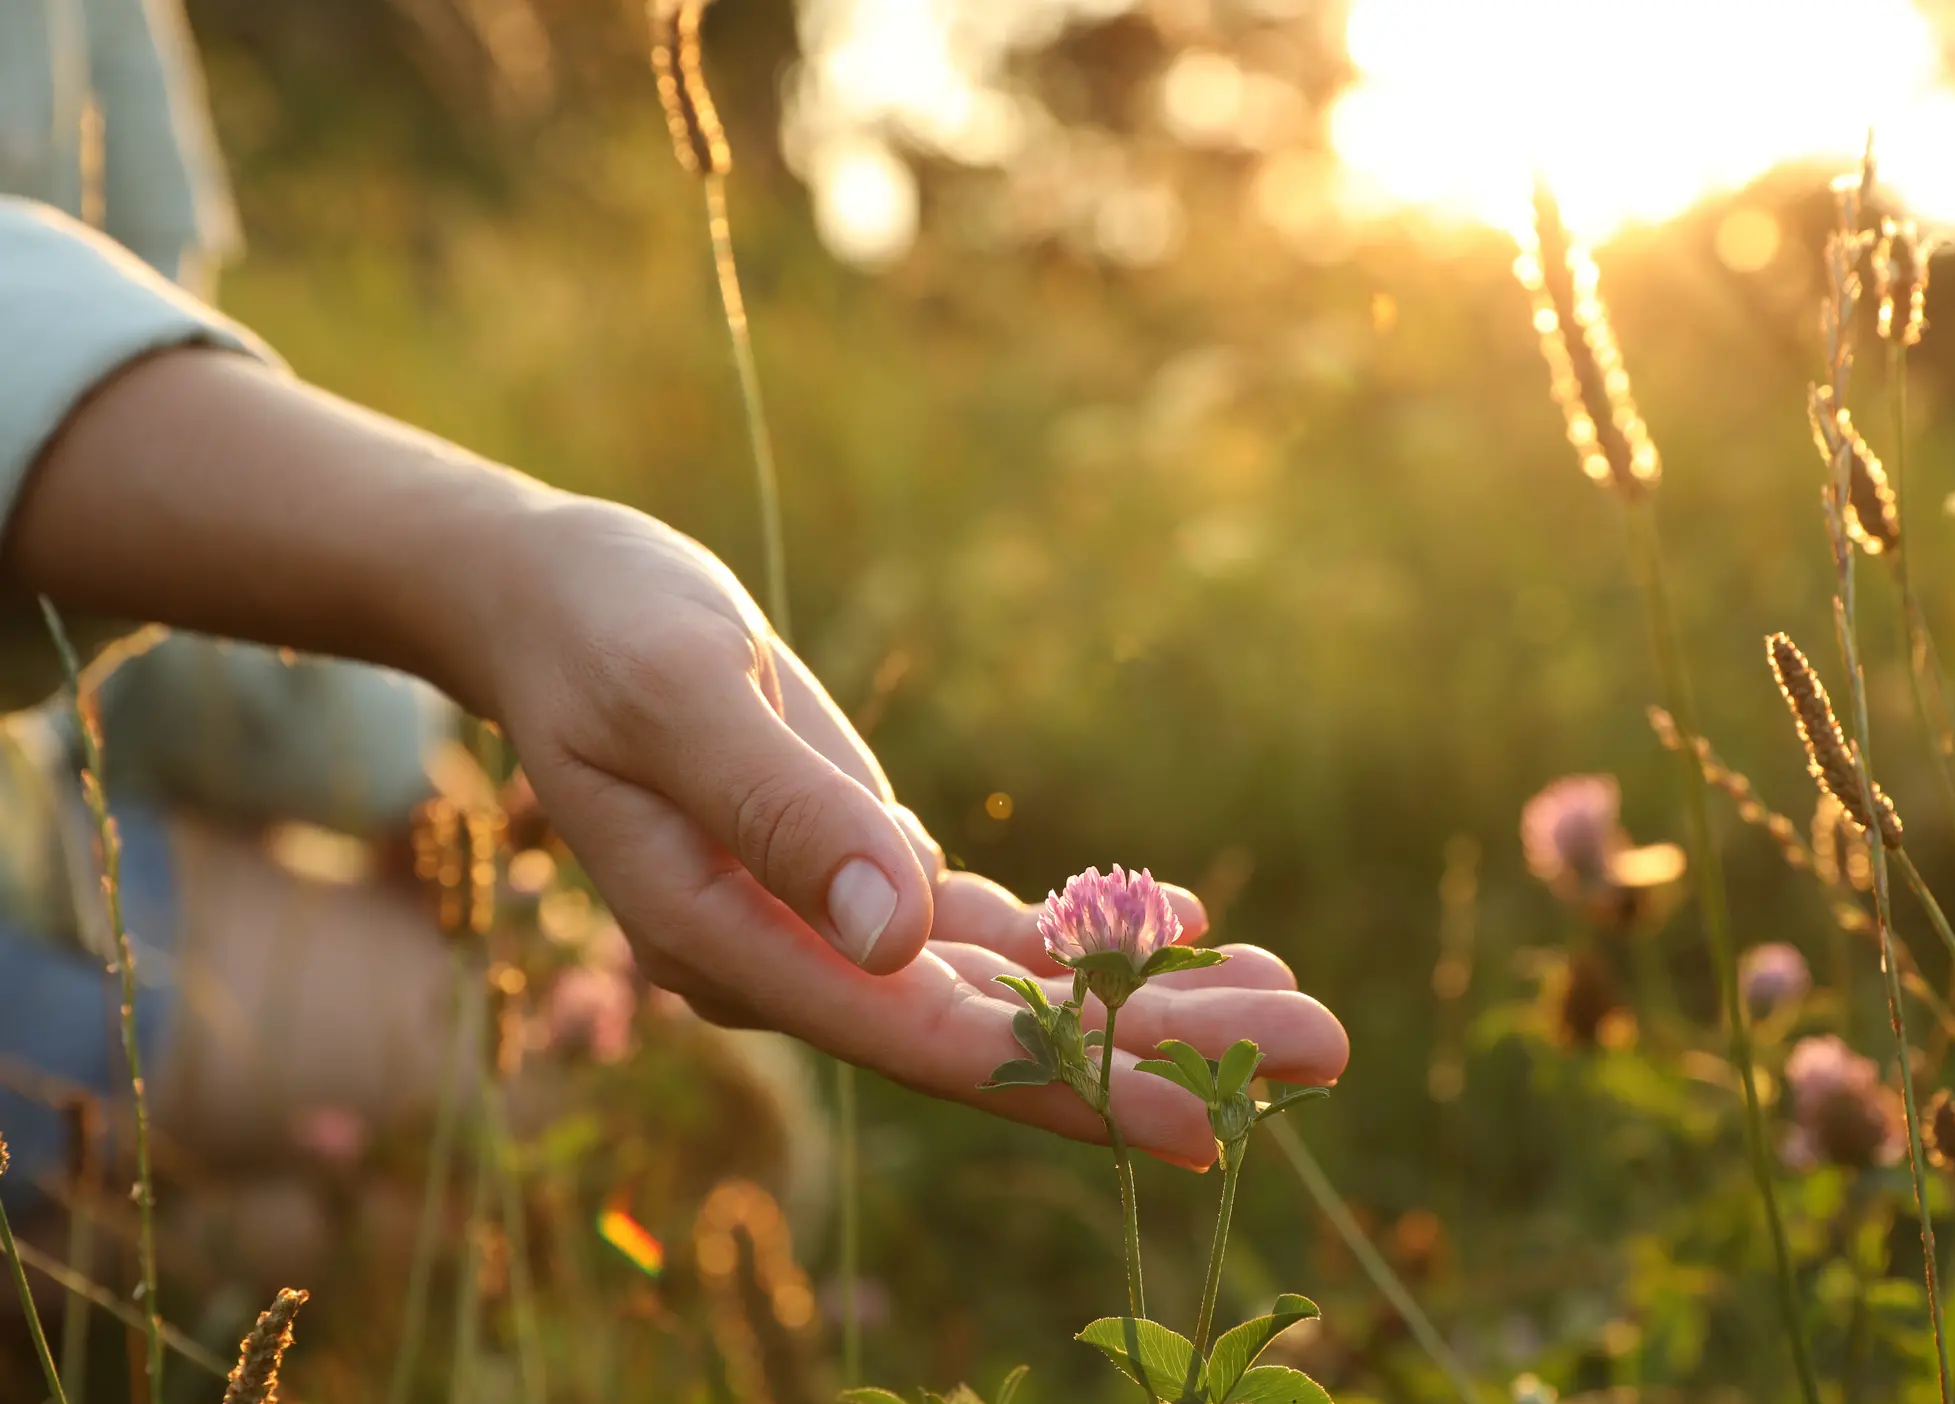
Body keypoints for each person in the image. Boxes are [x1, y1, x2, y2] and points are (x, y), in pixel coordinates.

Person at [0, 4, 1348, 1233]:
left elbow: (122, 470)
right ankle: (120, 1271)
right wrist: (497, 578)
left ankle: (167, 1265)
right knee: (669, 1153)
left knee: (714, 1122)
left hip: (49, 833)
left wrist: (389, 759)